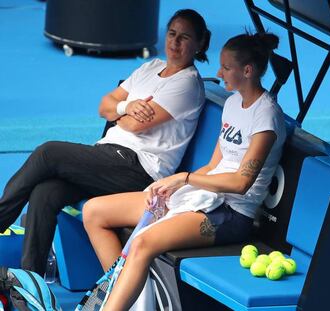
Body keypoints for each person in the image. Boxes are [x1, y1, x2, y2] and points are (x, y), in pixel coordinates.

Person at [83, 31, 287, 310]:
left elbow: (241, 183)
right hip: (201, 196)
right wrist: (175, 186)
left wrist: (186, 178)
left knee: (143, 242)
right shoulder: (232, 104)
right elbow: (214, 165)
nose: (218, 72)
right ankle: (133, 300)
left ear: (248, 70)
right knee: (95, 211)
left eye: (226, 67)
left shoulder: (266, 116)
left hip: (230, 214)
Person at [0, 9, 211, 276]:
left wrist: (119, 113)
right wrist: (126, 106)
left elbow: (132, 124)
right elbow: (104, 105)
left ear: (200, 44)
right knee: (45, 193)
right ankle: (31, 282)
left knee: (47, 153)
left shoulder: (187, 84)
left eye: (184, 37)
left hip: (138, 170)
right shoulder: (151, 67)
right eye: (171, 34)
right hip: (108, 158)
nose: (175, 43)